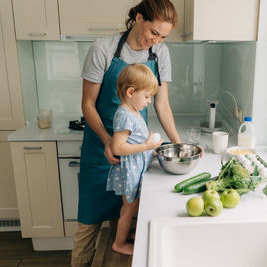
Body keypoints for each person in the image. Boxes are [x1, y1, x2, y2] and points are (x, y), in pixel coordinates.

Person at [71, 0, 180, 266]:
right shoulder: (104, 49)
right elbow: (87, 104)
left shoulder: (159, 53)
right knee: (88, 223)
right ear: (139, 18)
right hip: (100, 149)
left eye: (163, 36)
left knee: (124, 217)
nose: (155, 41)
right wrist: (109, 141)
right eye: (154, 32)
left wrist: (178, 146)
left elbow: (161, 103)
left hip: (133, 155)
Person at [107, 63, 163, 256]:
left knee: (133, 206)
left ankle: (127, 233)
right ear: (131, 92)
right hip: (129, 171)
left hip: (136, 168)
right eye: (147, 96)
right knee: (129, 209)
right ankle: (119, 243)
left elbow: (134, 140)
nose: (149, 102)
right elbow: (118, 147)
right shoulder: (124, 115)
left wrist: (151, 151)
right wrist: (147, 147)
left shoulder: (132, 111)